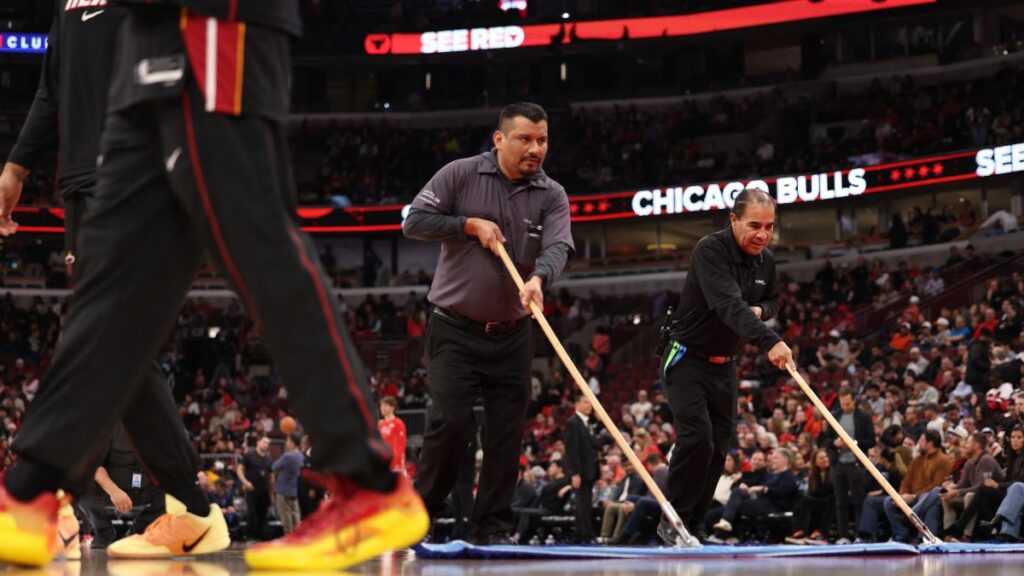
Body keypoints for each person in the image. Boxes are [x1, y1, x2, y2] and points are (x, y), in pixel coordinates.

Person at [0, 3, 428, 568]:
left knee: (260, 250)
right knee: (111, 288)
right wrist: (19, 161)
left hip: (207, 27)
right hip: (145, 50)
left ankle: (368, 482)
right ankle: (27, 493)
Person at [0, 0, 221, 562]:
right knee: (121, 345)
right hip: (81, 185)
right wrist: (17, 165)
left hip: (137, 173)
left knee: (102, 335)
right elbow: (53, 88)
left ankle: (46, 497)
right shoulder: (65, 6)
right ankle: (193, 508)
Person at [403, 102, 573, 545]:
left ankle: (492, 527)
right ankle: (420, 517)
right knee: (451, 424)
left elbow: (557, 246)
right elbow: (414, 222)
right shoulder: (460, 174)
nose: (535, 149)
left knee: (506, 434)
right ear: (499, 139)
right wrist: (468, 225)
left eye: (542, 140)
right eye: (525, 139)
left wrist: (539, 279)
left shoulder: (552, 194)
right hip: (454, 329)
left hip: (513, 333)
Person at [660, 188, 794, 543]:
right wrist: (770, 340)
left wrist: (762, 310)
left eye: (769, 227)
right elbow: (730, 306)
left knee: (720, 448)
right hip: (686, 358)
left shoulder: (766, 260)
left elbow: (774, 301)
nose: (763, 235)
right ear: (733, 220)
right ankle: (673, 522)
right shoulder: (710, 250)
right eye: (755, 225)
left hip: (726, 365)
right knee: (697, 440)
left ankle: (695, 526)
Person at [77, 426, 167, 549]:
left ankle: (136, 533)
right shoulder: (109, 427)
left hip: (146, 489)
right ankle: (104, 532)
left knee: (176, 491)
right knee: (80, 487)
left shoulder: (161, 428)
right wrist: (114, 491)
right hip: (112, 490)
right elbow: (95, 465)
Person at [825, 387, 876, 544]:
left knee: (858, 501)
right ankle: (843, 536)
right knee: (840, 502)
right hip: (838, 463)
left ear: (854, 400)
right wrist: (835, 443)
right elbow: (826, 440)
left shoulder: (864, 417)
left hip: (856, 463)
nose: (845, 406)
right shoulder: (834, 416)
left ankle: (860, 535)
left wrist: (855, 443)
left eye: (848, 403)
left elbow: (872, 440)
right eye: (842, 404)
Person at [882, 430, 953, 542]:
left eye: (922, 440)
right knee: (888, 501)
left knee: (932, 503)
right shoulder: (916, 461)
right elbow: (905, 482)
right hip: (912, 498)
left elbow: (937, 485)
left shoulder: (944, 460)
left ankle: (921, 535)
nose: (919, 443)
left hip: (929, 498)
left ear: (930, 443)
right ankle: (901, 533)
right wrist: (902, 496)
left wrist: (914, 496)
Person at [563, 394, 599, 544]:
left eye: (590, 403)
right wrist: (575, 473)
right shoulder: (573, 423)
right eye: (585, 402)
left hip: (589, 470)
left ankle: (579, 533)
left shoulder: (588, 423)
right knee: (583, 503)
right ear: (577, 405)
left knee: (585, 503)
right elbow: (572, 450)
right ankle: (586, 534)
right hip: (581, 471)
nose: (589, 405)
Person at [238, 437, 273, 542]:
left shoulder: (268, 459)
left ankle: (260, 535)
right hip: (252, 489)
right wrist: (245, 482)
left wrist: (271, 494)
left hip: (264, 490)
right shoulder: (249, 456)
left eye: (268, 443)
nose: (266, 444)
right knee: (251, 513)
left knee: (262, 514)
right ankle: (249, 535)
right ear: (258, 442)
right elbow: (239, 469)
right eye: (264, 442)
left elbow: (272, 477)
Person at [272, 434, 304, 535]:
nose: (286, 443)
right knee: (295, 513)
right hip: (293, 488)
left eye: (288, 441)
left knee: (285, 514)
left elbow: (274, 466)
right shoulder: (301, 455)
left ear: (292, 442)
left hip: (283, 489)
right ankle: (297, 536)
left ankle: (288, 536)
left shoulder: (288, 456)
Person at [378, 396, 408, 475]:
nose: (382, 408)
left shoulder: (398, 423)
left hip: (396, 465)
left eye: (385, 405)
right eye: (381, 405)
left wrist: (394, 460)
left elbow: (401, 445)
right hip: (384, 463)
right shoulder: (380, 424)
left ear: (392, 407)